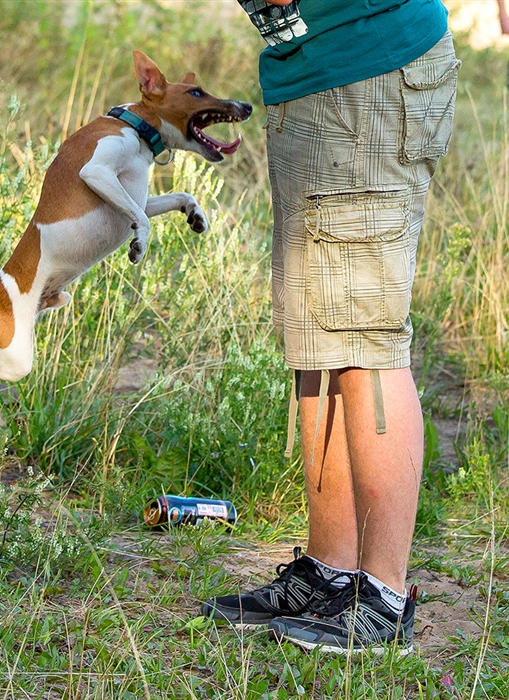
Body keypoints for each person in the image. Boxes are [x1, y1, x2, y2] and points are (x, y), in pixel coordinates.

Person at [202, 0, 460, 655]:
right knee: (318, 336)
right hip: (317, 81)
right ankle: (331, 570)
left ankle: (383, 598)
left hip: (366, 76)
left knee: (364, 337)